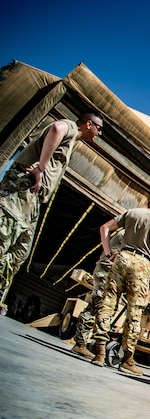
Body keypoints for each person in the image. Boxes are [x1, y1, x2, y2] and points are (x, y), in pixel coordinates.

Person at [0, 110, 104, 292]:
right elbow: (57, 127)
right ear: (88, 124)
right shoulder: (70, 127)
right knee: (3, 239)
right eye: (99, 128)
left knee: (19, 252)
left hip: (32, 200)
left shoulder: (72, 142)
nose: (100, 133)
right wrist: (41, 168)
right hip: (21, 190)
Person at [91, 193, 150, 374]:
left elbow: (105, 228)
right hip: (142, 265)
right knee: (134, 313)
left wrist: (109, 252)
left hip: (122, 258)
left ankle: (100, 352)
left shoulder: (132, 213)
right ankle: (127, 359)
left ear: (148, 202)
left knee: (108, 304)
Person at [71, 231, 125, 358]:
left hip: (106, 272)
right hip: (105, 273)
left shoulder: (127, 234)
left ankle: (83, 343)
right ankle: (80, 344)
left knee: (98, 307)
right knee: (95, 307)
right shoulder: (127, 235)